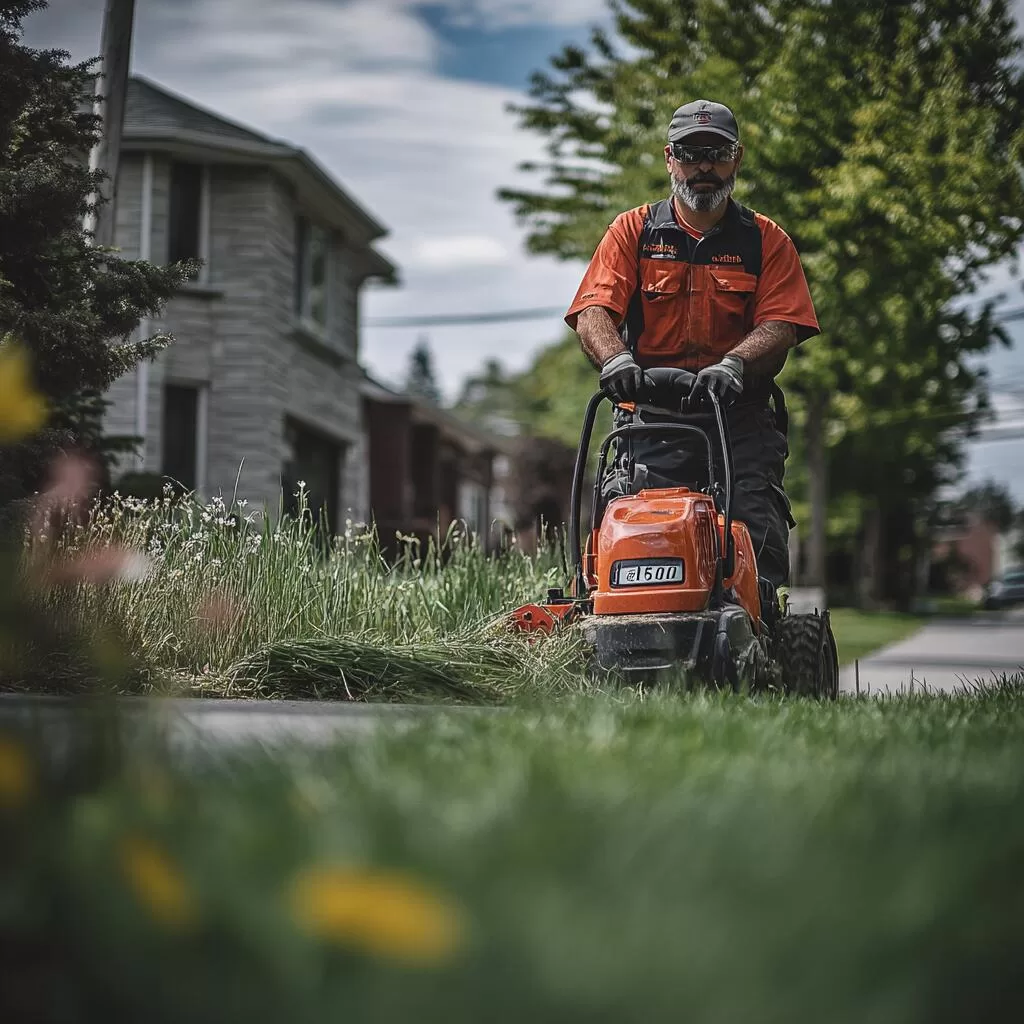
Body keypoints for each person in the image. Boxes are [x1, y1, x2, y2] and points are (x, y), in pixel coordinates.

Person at [564, 99, 820, 589]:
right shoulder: (632, 231)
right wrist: (616, 356)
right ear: (669, 158)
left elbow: (782, 325)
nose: (704, 166)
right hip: (652, 419)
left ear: (737, 158)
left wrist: (735, 363)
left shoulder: (767, 241)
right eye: (690, 152)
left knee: (752, 539)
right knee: (630, 540)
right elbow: (593, 311)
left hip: (738, 420)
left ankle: (760, 646)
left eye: (717, 152)